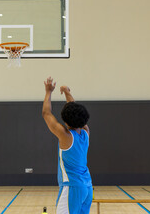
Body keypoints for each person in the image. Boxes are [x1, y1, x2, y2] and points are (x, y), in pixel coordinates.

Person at [42, 77, 93, 214]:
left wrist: (48, 92)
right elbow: (76, 111)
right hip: (87, 187)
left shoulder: (66, 136)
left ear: (65, 121)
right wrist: (66, 92)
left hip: (72, 188)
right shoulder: (85, 132)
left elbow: (46, 113)